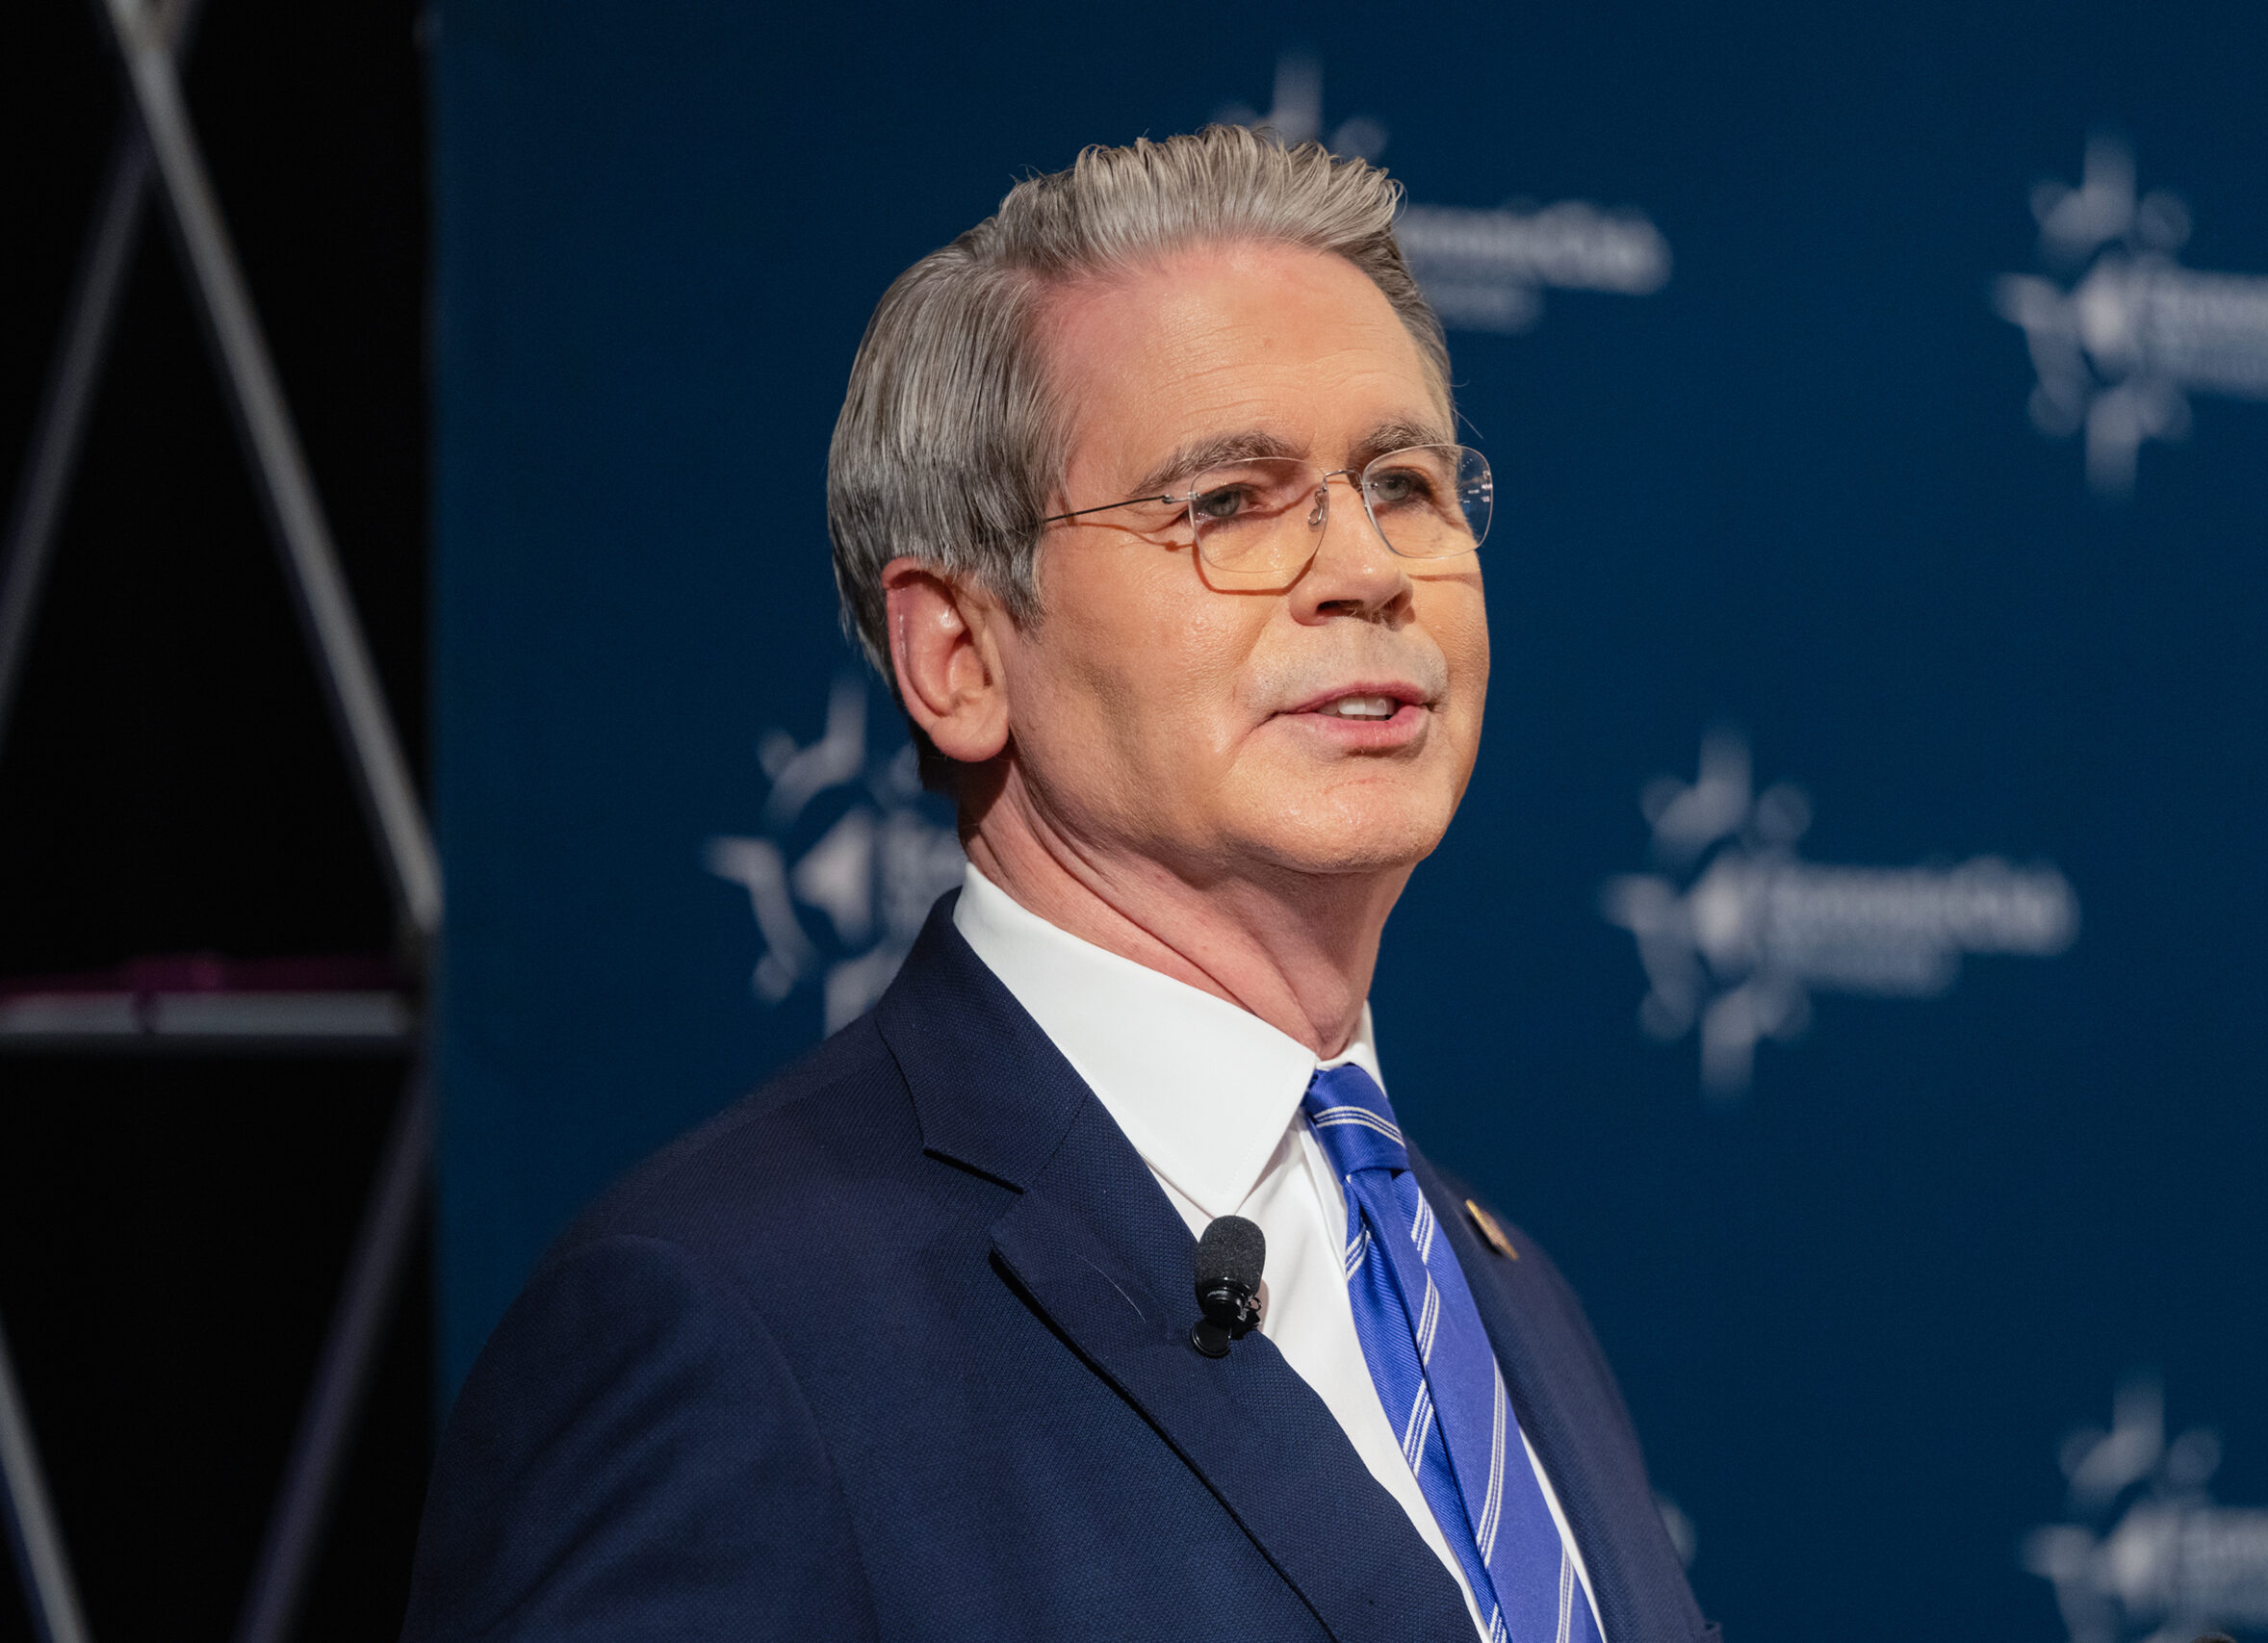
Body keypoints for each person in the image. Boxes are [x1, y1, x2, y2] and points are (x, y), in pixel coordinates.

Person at [403, 124, 1715, 1643]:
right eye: (1228, 501)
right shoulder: (727, 1322)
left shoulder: (1503, 1290)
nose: (1367, 568)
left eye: (1405, 483)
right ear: (960, 657)